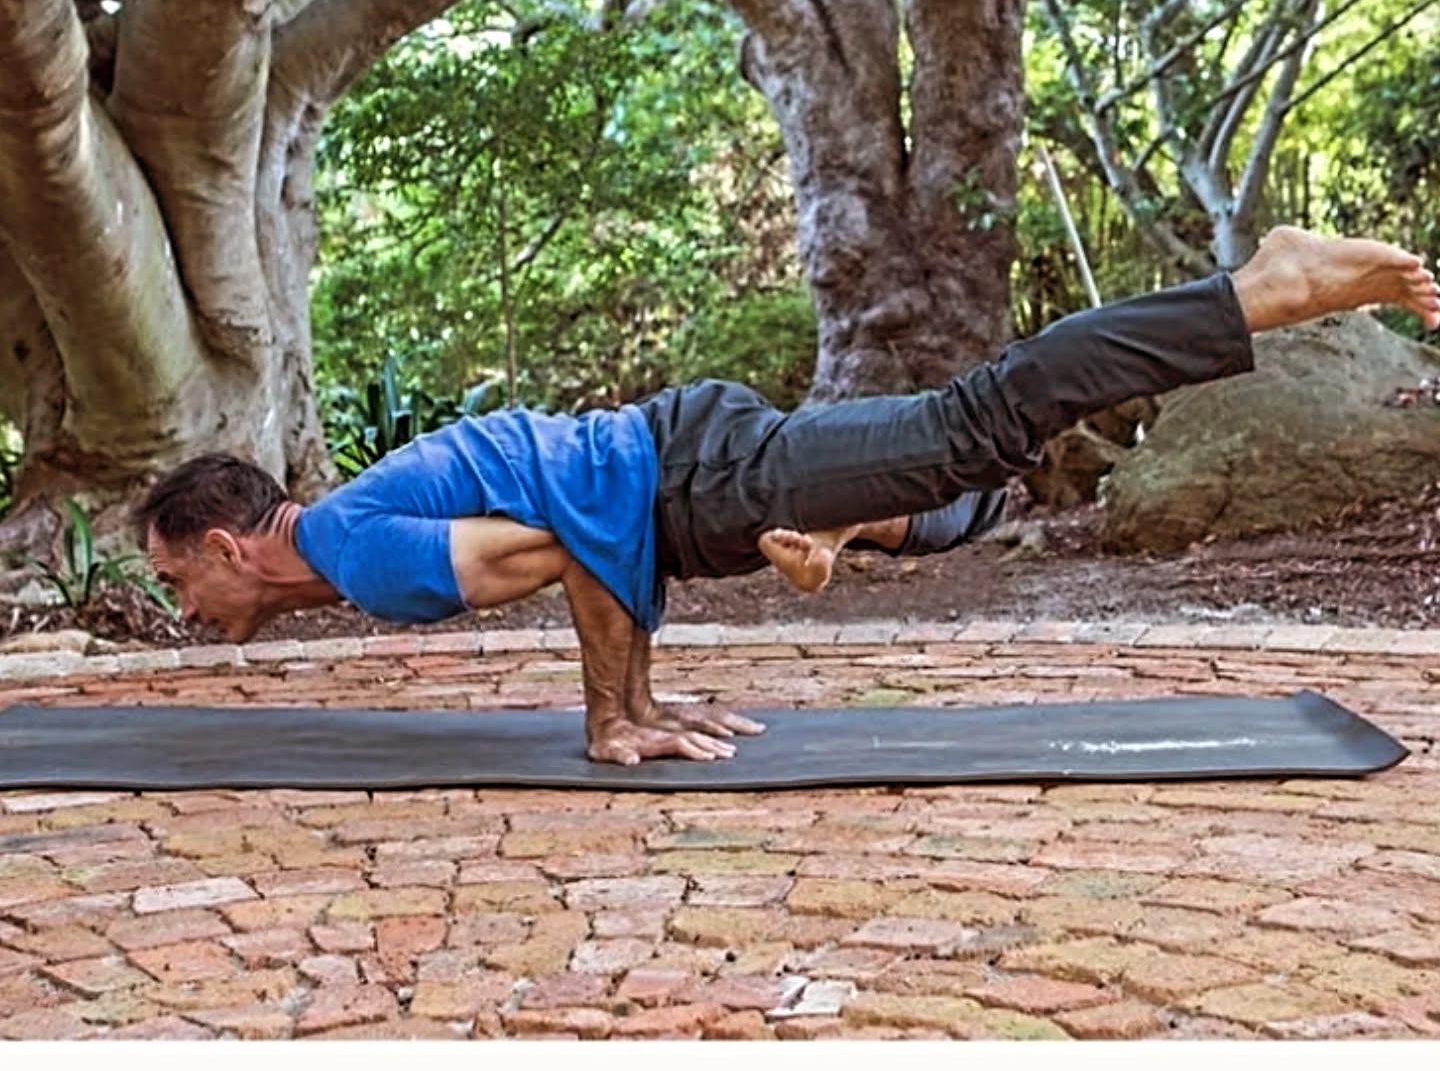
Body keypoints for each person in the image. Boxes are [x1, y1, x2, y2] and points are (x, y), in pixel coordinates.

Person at [135, 228, 1440, 766]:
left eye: (173, 575)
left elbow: (567, 539)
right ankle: (845, 521)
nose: (178, 603)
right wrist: (642, 701)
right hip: (686, 476)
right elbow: (575, 531)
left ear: (226, 545)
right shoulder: (354, 530)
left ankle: (1259, 287)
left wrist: (613, 717)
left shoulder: (355, 550)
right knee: (959, 489)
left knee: (978, 423)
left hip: (694, 475)